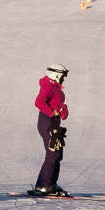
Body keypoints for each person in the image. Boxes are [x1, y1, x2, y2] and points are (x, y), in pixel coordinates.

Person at [32, 64, 70, 196]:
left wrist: (61, 110)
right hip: (47, 121)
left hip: (54, 123)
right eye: (63, 76)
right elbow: (39, 102)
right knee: (52, 153)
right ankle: (43, 185)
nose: (64, 79)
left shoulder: (54, 88)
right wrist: (53, 112)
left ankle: (51, 183)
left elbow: (62, 111)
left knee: (57, 154)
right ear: (56, 75)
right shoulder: (48, 87)